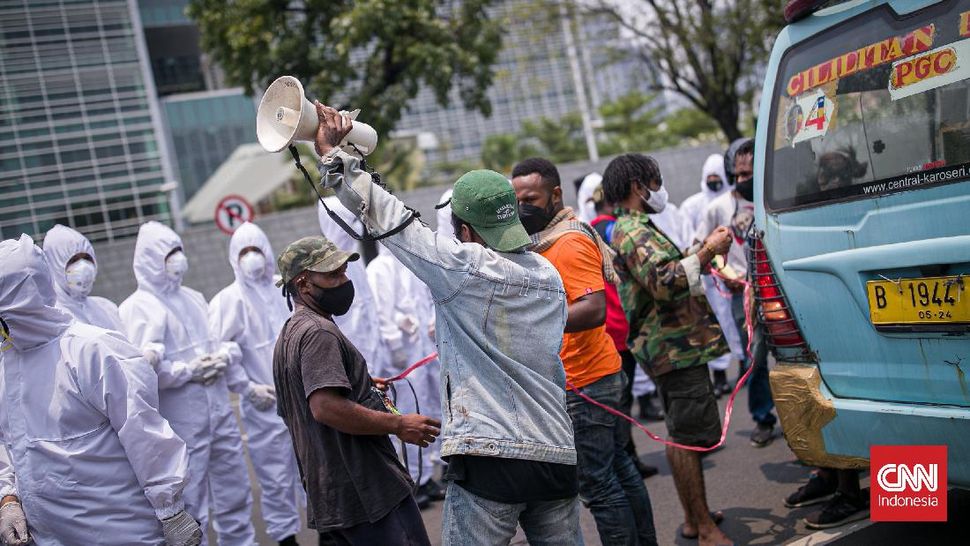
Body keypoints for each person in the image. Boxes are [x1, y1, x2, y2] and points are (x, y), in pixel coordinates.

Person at [313, 102, 580, 545]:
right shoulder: (547, 274)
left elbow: (395, 224)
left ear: (468, 233)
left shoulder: (469, 269)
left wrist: (337, 159)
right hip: (555, 450)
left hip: (492, 457)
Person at [0, 235, 202, 545]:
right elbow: (7, 442)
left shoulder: (93, 351)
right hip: (49, 537)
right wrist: (8, 497)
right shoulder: (8, 365)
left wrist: (171, 511)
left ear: (17, 304)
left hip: (123, 532)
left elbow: (145, 435)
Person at [512, 157, 657, 546]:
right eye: (517, 199)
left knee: (598, 485)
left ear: (555, 195)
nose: (522, 207)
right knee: (621, 471)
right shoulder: (549, 241)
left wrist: (534, 321)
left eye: (531, 198)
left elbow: (593, 310)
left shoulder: (569, 242)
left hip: (587, 382)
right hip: (597, 375)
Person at [604, 153, 734, 546]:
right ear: (636, 187)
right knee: (685, 438)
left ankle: (697, 518)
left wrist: (697, 254)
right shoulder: (632, 229)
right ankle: (703, 528)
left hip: (676, 345)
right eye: (654, 182)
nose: (658, 190)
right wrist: (709, 248)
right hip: (673, 347)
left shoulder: (637, 228)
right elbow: (665, 280)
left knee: (687, 432)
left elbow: (668, 272)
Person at [272, 235, 437, 545]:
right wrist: (399, 424)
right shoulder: (318, 332)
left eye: (344, 272)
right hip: (367, 492)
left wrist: (358, 384)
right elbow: (325, 407)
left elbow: (299, 404)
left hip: (335, 496)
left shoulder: (290, 334)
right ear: (304, 284)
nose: (344, 281)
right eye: (333, 275)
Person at [119, 221, 258, 544]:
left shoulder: (193, 297)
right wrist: (187, 371)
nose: (178, 258)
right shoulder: (137, 308)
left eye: (178, 250)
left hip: (219, 413)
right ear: (150, 259)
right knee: (192, 503)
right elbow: (142, 372)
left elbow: (215, 339)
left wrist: (221, 356)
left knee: (235, 493)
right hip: (180, 424)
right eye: (169, 253)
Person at [208, 222, 303, 546]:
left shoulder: (284, 289)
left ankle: (331, 531)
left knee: (317, 468)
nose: (252, 258)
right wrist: (246, 388)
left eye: (257, 250)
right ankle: (286, 538)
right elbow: (222, 351)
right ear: (234, 258)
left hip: (303, 397)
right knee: (275, 477)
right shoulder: (228, 301)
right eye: (244, 252)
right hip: (264, 403)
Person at [696, 138, 778, 447]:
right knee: (754, 360)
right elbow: (703, 247)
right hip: (743, 298)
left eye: (750, 174)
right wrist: (723, 270)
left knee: (794, 359)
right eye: (739, 174)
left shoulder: (774, 198)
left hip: (781, 293)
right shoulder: (717, 209)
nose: (744, 180)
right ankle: (763, 418)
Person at [588, 187, 664, 476]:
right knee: (621, 399)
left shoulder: (586, 231)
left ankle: (626, 457)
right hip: (621, 324)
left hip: (608, 326)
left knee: (619, 399)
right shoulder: (615, 231)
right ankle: (625, 461)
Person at [367, 245, 445, 507]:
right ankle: (414, 479)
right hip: (402, 353)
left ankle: (427, 476)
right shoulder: (379, 268)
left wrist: (432, 320)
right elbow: (380, 310)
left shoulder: (410, 260)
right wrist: (395, 340)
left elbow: (425, 296)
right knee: (408, 414)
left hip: (423, 348)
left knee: (432, 406)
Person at [682, 154, 742, 396]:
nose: (715, 181)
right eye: (711, 178)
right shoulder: (693, 205)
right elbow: (691, 238)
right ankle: (718, 376)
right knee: (712, 324)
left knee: (735, 322)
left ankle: (743, 368)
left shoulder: (733, 202)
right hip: (706, 276)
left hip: (733, 275)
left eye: (719, 177)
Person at [318, 196, 390, 376]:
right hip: (353, 364)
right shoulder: (325, 271)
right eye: (348, 221)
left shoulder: (355, 261)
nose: (355, 226)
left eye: (354, 220)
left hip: (375, 357)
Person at [41, 224, 125, 332]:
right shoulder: (51, 318)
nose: (84, 266)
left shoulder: (107, 308)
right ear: (56, 265)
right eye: (73, 260)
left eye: (87, 258)